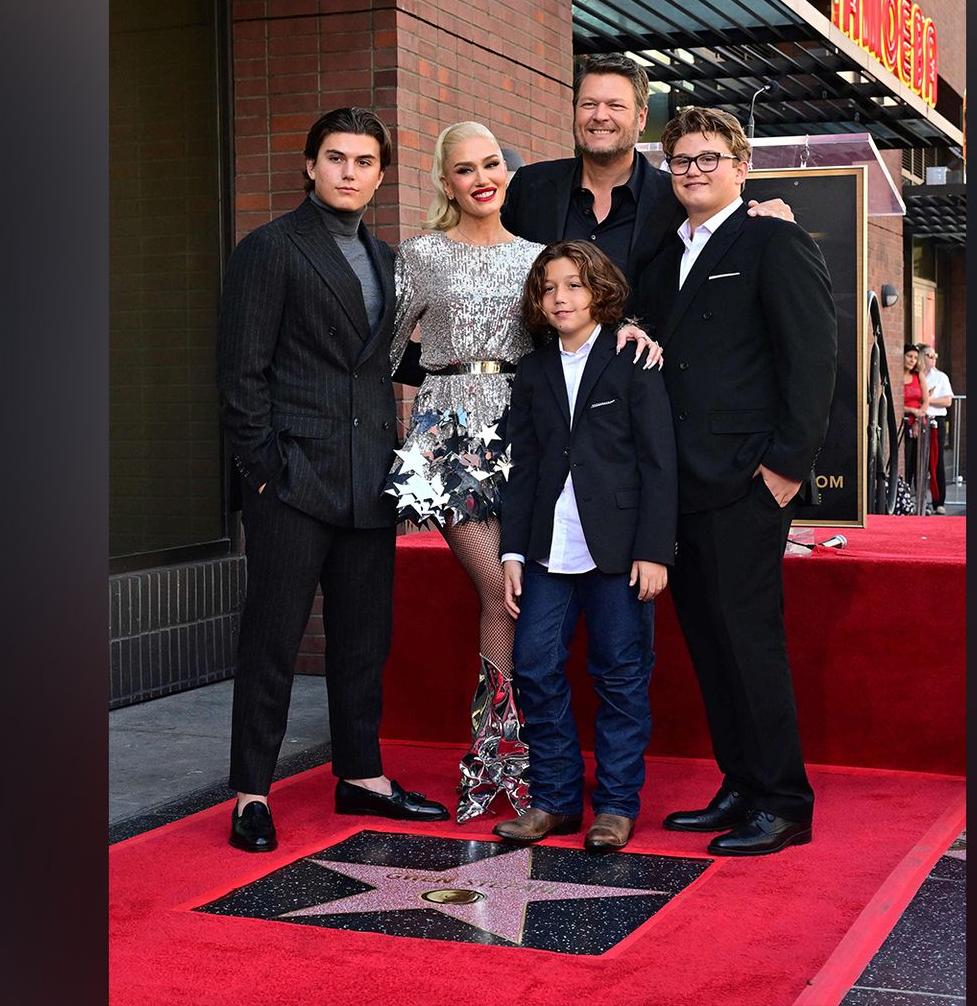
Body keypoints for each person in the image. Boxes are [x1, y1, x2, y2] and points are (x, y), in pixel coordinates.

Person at [386, 121, 661, 823]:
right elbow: (383, 353)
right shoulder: (419, 256)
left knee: (521, 595)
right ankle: (497, 766)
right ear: (444, 181)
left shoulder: (538, 261)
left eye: (491, 165)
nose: (481, 179)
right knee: (499, 589)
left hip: (536, 435)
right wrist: (437, 386)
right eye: (464, 169)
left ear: (505, 175)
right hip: (453, 440)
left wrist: (627, 328)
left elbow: (578, 326)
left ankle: (523, 774)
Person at [215, 107, 450, 853]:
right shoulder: (271, 249)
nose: (350, 172)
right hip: (292, 481)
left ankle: (361, 776)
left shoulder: (388, 260)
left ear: (381, 175)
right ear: (311, 166)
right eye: (336, 158)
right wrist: (264, 472)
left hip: (368, 481)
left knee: (362, 641)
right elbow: (240, 374)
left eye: (364, 162)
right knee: (273, 641)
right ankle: (252, 792)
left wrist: (488, 359)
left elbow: (385, 362)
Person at [630, 107, 837, 857]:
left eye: (709, 158)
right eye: (681, 160)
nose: (694, 170)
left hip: (746, 482)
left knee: (750, 644)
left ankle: (784, 801)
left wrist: (784, 469)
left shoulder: (771, 239)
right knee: (711, 645)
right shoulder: (659, 258)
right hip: (675, 486)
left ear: (741, 166)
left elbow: (812, 360)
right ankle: (741, 783)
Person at [492, 241, 677, 853]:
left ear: (598, 291)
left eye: (573, 285)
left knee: (621, 676)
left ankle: (618, 807)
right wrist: (512, 552)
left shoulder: (631, 361)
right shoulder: (535, 372)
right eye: (548, 288)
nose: (561, 297)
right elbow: (523, 469)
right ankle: (555, 800)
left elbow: (658, 461)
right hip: (547, 550)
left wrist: (655, 550)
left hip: (620, 551)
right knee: (536, 665)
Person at [501, 54, 792, 284]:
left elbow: (729, 232)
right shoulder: (531, 186)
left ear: (641, 118)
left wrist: (769, 219)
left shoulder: (679, 196)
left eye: (615, 106)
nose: (599, 116)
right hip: (542, 359)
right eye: (589, 104)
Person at [919, 344, 955, 513]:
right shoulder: (915, 376)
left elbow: (947, 401)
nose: (933, 359)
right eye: (929, 355)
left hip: (936, 420)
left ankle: (938, 502)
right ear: (922, 357)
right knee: (917, 463)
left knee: (937, 461)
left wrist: (926, 399)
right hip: (918, 419)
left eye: (935, 355)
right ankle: (919, 501)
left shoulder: (941, 377)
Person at [900, 344, 929, 515]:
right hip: (903, 423)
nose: (912, 360)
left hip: (919, 424)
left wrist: (918, 417)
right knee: (906, 462)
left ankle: (921, 503)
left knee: (919, 464)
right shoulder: (897, 377)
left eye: (915, 357)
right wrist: (911, 410)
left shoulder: (918, 376)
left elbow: (925, 400)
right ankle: (906, 501)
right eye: (909, 356)